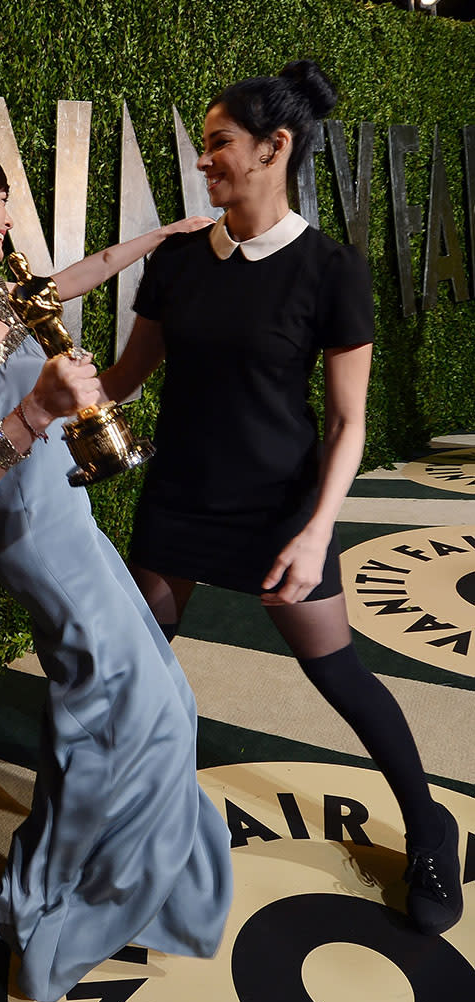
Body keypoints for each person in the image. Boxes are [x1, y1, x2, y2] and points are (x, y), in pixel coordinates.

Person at [99, 61, 463, 937]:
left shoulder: (332, 270)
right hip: (178, 498)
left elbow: (347, 427)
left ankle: (428, 824)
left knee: (337, 672)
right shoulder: (182, 260)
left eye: (219, 144)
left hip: (280, 505)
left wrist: (315, 532)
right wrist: (39, 404)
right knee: (139, 671)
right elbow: (126, 376)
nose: (206, 162)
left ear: (276, 148)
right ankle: (126, 835)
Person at [0, 138, 232, 1002]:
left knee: (158, 698)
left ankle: (104, 891)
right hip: (36, 541)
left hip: (71, 526)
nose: (13, 211)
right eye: (4, 196)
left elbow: (81, 274)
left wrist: (160, 240)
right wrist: (38, 409)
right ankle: (60, 915)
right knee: (141, 714)